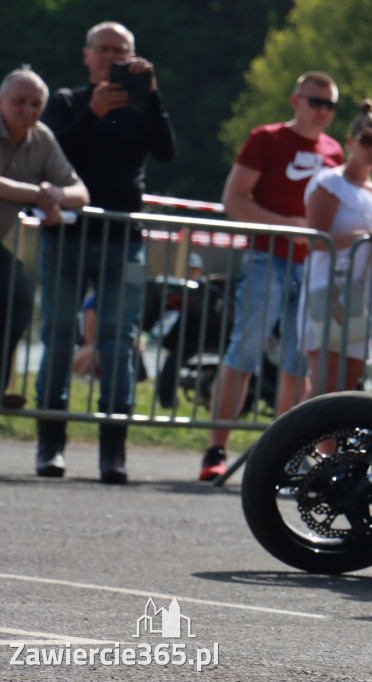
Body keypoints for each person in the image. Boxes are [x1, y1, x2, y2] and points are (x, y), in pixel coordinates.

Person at [39, 22, 175, 484]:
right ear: (87, 55)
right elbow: (54, 155)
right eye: (104, 49)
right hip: (67, 237)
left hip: (123, 239)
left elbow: (166, 152)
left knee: (118, 345)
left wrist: (152, 95)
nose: (111, 57)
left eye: (121, 51)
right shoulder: (65, 101)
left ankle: (112, 454)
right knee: (58, 337)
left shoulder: (141, 106)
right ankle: (50, 448)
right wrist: (92, 113)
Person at [199, 71, 344, 481]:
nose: (322, 111)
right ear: (295, 100)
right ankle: (215, 450)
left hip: (312, 267)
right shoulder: (266, 138)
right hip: (267, 259)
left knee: (299, 364)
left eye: (330, 104)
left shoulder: (335, 151)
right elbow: (233, 199)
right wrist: (290, 227)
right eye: (315, 101)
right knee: (242, 353)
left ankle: (285, 457)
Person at [0, 68, 90, 410]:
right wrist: (41, 195)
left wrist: (54, 194)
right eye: (19, 101)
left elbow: (80, 193)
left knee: (19, 298)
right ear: (1, 102)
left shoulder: (42, 138)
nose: (28, 109)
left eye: (36, 103)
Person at [299, 99, 372, 399]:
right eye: (367, 141)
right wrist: (363, 236)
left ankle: (325, 448)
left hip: (365, 296)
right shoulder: (330, 183)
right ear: (350, 142)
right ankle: (299, 445)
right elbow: (315, 239)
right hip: (329, 290)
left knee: (346, 390)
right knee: (324, 386)